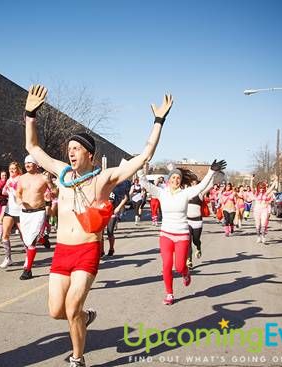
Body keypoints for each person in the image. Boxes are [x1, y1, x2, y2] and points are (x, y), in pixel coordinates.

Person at [24, 84, 173, 367]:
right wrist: (30, 113)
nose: (71, 153)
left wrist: (158, 121)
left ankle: (77, 358)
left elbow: (144, 157)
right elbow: (32, 147)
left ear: (89, 154)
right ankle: (86, 317)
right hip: (62, 252)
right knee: (57, 311)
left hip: (87, 251)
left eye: (77, 148)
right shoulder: (62, 172)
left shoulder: (103, 179)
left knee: (71, 307)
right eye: (69, 149)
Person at [140, 159, 226, 306]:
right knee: (166, 265)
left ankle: (185, 273)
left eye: (178, 178)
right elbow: (145, 183)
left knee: (179, 267)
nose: (176, 180)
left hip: (181, 235)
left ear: (181, 181)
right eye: (173, 177)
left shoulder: (186, 193)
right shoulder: (161, 193)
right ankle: (169, 293)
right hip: (166, 234)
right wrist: (140, 169)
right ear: (169, 180)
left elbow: (201, 186)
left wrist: (211, 171)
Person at [15, 155, 50, 280]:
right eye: (26, 163)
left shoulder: (43, 178)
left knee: (31, 242)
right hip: (24, 213)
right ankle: (43, 239)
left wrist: (50, 186)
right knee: (27, 240)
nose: (27, 165)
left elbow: (55, 191)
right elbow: (18, 193)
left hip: (38, 212)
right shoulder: (22, 179)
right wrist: (19, 200)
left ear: (36, 164)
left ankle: (27, 270)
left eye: (30, 162)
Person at [186, 176, 212, 269]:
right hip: (187, 220)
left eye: (195, 183)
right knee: (188, 242)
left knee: (195, 240)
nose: (193, 185)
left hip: (197, 221)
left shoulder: (201, 193)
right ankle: (189, 260)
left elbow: (210, 185)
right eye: (192, 183)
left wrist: (213, 175)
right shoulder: (186, 193)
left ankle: (198, 247)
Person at [0, 162, 22, 269]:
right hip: (10, 210)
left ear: (18, 170)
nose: (12, 171)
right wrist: (6, 187)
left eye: (14, 169)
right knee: (5, 235)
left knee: (24, 236)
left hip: (21, 211)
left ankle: (28, 258)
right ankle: (8, 258)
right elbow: (4, 192)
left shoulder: (21, 179)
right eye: (10, 169)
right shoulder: (9, 180)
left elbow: (22, 193)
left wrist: (14, 188)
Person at [104, 183, 128, 257]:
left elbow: (125, 197)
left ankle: (111, 249)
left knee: (109, 232)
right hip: (102, 212)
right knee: (100, 234)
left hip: (112, 211)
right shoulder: (103, 186)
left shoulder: (117, 187)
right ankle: (101, 251)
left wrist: (119, 207)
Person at [252, 177, 278, 244]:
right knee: (257, 225)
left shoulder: (266, 193)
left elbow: (271, 188)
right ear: (258, 188)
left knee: (263, 224)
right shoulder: (256, 193)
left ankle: (263, 236)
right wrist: (252, 180)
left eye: (262, 188)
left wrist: (275, 181)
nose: (261, 189)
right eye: (260, 188)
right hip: (257, 210)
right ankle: (258, 237)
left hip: (264, 210)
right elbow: (252, 188)